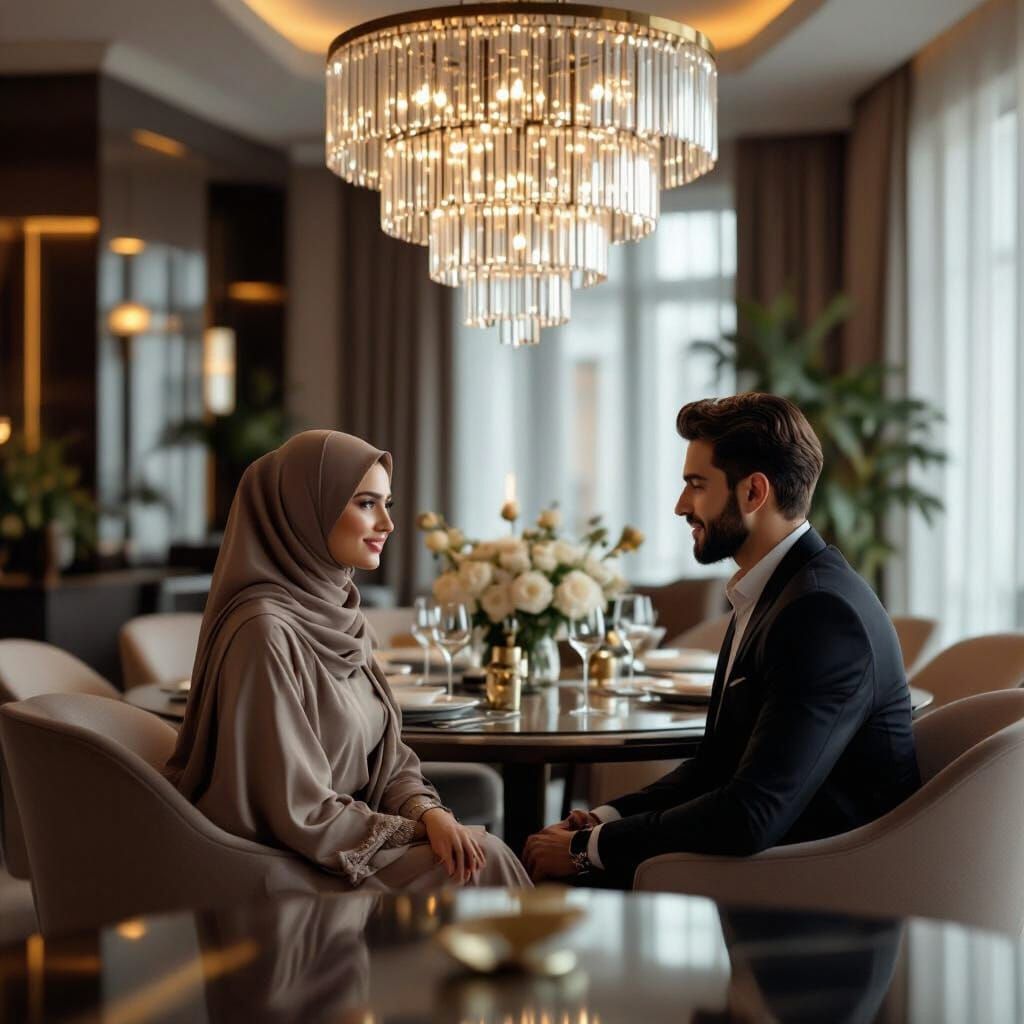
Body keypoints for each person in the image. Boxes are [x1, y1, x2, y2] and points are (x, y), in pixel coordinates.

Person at [523, 393, 920, 885]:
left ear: (754, 493)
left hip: (818, 888)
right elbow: (714, 768)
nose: (681, 506)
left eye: (696, 485)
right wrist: (605, 819)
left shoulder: (820, 613)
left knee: (537, 878)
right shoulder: (777, 589)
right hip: (776, 861)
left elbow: (751, 814)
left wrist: (588, 850)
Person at [164, 429, 530, 890]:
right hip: (287, 864)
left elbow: (390, 763)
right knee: (486, 860)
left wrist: (429, 812)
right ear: (304, 510)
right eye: (365, 503)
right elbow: (297, 809)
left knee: (482, 855)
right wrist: (419, 831)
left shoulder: (343, 617)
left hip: (342, 841)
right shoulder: (264, 632)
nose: (387, 524)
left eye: (387, 504)